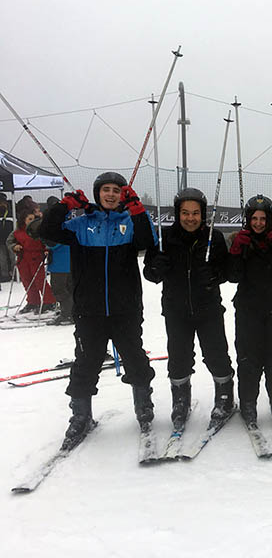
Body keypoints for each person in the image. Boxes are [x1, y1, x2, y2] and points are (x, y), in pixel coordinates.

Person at [41, 172, 158, 449]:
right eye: (105, 189)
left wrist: (137, 210)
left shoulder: (129, 223)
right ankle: (81, 416)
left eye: (116, 190)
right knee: (86, 363)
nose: (110, 194)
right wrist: (65, 205)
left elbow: (147, 242)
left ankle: (143, 406)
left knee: (135, 358)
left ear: (123, 195)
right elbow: (46, 231)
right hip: (89, 311)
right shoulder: (81, 225)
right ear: (97, 194)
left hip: (125, 309)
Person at [143, 187, 235, 430]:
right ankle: (180, 399)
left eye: (195, 213)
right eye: (185, 213)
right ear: (177, 213)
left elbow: (227, 271)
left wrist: (214, 274)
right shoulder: (165, 237)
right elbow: (149, 273)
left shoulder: (213, 237)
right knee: (179, 357)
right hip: (176, 310)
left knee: (216, 355)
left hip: (208, 309)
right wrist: (156, 268)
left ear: (203, 214)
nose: (190, 218)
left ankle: (225, 397)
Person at [227, 195, 272, 428]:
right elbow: (233, 276)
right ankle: (248, 402)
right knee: (248, 359)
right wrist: (236, 251)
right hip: (249, 309)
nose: (258, 223)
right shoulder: (242, 240)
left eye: (263, 218)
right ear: (248, 219)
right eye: (254, 219)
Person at [8, 207, 57, 313]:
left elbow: (46, 241)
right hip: (23, 258)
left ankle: (49, 301)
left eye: (33, 219)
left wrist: (46, 249)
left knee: (40, 281)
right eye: (29, 219)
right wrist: (14, 246)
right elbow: (10, 241)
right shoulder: (17, 231)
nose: (32, 221)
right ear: (23, 220)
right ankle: (33, 302)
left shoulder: (38, 229)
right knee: (27, 281)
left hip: (36, 257)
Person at [0, 192, 13, 283]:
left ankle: (13, 273)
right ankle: (6, 275)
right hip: (3, 238)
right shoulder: (11, 210)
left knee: (11, 257)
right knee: (3, 258)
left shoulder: (11, 210)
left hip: (10, 238)